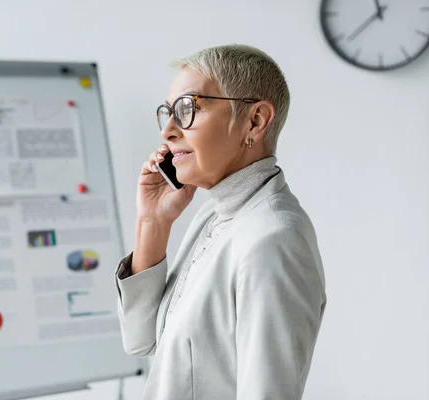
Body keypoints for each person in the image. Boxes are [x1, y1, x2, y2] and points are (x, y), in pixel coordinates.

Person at [114, 44, 327, 400]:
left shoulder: (273, 238)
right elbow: (140, 341)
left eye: (187, 109)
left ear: (255, 121)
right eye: (168, 112)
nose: (168, 131)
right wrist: (152, 222)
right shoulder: (213, 215)